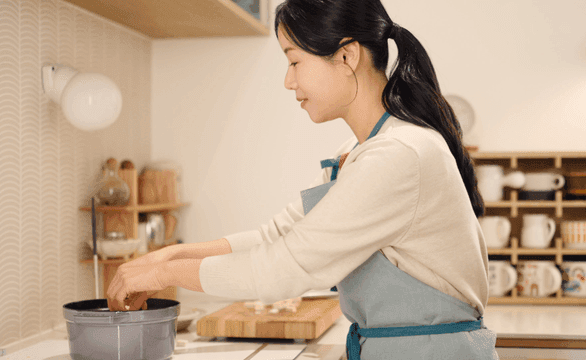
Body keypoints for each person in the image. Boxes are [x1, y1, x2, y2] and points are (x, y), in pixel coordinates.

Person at [107, 0, 499, 358]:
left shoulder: (398, 154)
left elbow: (286, 266)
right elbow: (276, 237)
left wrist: (164, 274)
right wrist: (171, 255)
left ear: (346, 55)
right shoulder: (363, 150)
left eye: (294, 61)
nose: (288, 81)